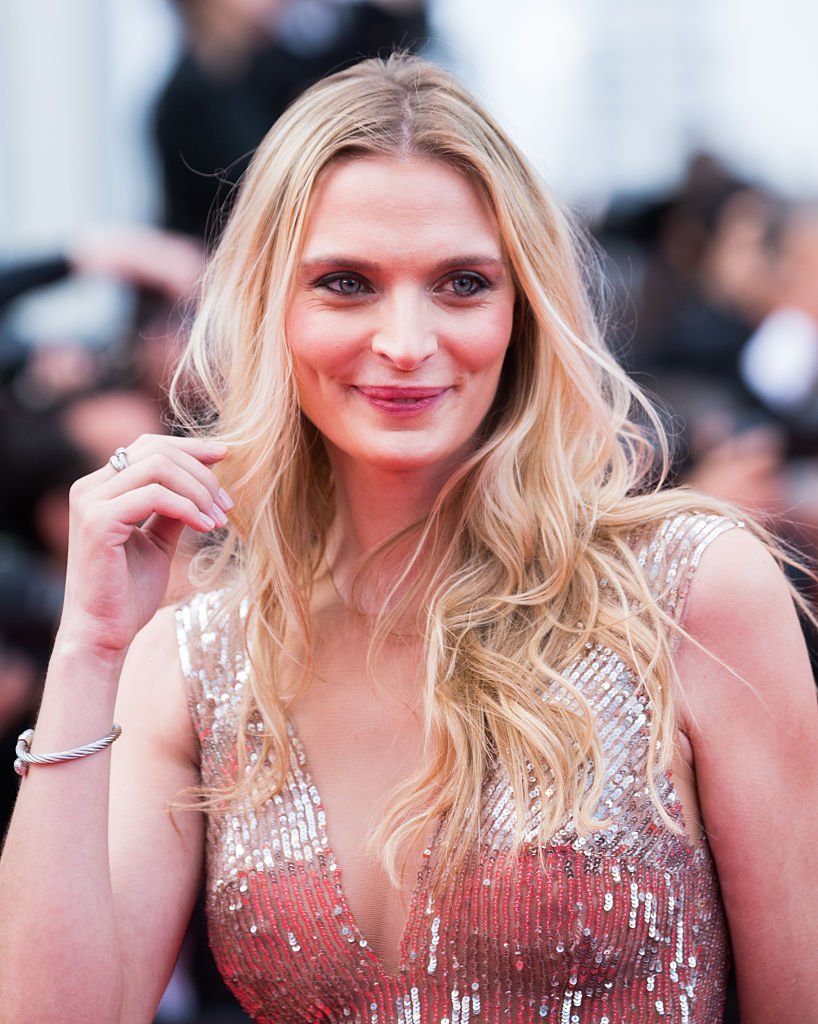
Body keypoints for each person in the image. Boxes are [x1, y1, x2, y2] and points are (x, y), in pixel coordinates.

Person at [0, 55, 816, 1024]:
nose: (404, 339)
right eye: (346, 282)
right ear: (272, 306)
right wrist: (88, 650)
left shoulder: (686, 590)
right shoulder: (197, 661)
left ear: (520, 310)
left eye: (461, 283)